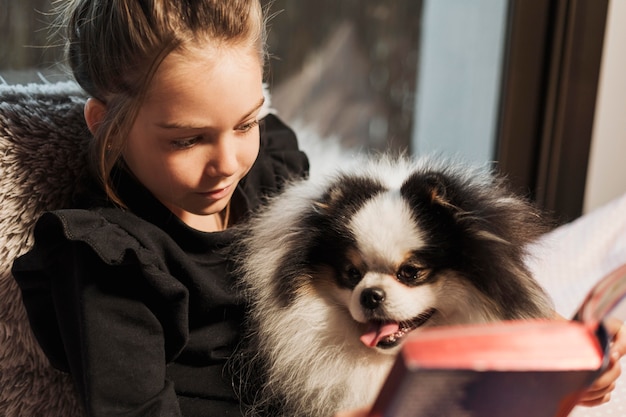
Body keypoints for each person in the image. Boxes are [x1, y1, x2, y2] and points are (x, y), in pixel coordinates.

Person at [9, 1, 625, 416]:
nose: (227, 161)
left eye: (246, 122)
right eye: (188, 139)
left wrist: (555, 372)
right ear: (104, 126)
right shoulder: (110, 264)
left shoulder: (271, 171)